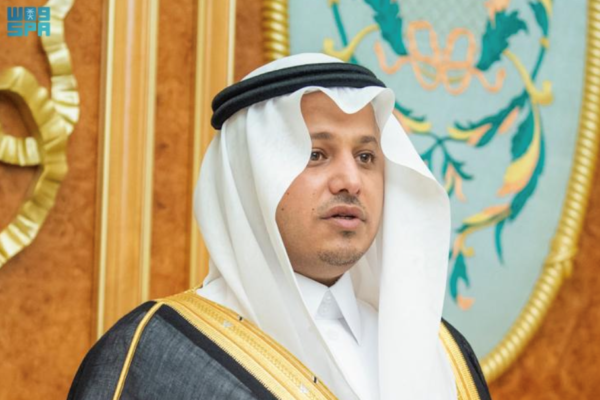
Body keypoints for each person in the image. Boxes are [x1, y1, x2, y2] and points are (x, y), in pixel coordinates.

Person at [68, 53, 491, 400]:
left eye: (366, 157)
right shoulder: (162, 354)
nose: (351, 181)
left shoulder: (441, 353)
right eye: (316, 154)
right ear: (251, 178)